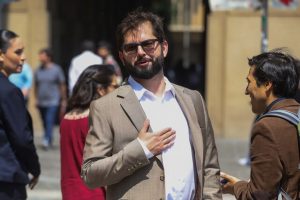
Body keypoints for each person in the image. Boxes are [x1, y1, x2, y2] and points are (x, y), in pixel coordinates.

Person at [81, 10, 222, 200]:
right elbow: (90, 174)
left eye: (148, 44)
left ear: (164, 47)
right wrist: (140, 150)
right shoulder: (105, 107)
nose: (140, 52)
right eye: (131, 48)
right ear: (122, 57)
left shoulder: (192, 99)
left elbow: (209, 166)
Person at [221, 50, 300, 200]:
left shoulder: (267, 128)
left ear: (267, 84)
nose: (246, 91)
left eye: (249, 82)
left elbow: (259, 196)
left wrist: (234, 187)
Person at [60, 64, 118, 200]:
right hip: (95, 193)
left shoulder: (66, 118)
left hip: (69, 192)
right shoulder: (97, 118)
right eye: (114, 86)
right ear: (101, 90)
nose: (118, 90)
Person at [0, 29, 40, 199]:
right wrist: (34, 167)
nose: (23, 57)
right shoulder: (9, 91)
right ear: (1, 55)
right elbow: (21, 137)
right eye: (18, 52)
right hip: (7, 177)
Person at [34, 48, 67, 150]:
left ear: (48, 57)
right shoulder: (38, 70)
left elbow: (62, 85)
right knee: (44, 121)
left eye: (42, 55)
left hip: (53, 100)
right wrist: (36, 99)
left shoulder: (56, 69)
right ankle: (49, 138)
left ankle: (46, 140)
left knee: (49, 120)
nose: (40, 57)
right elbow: (36, 86)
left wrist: (64, 99)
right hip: (41, 101)